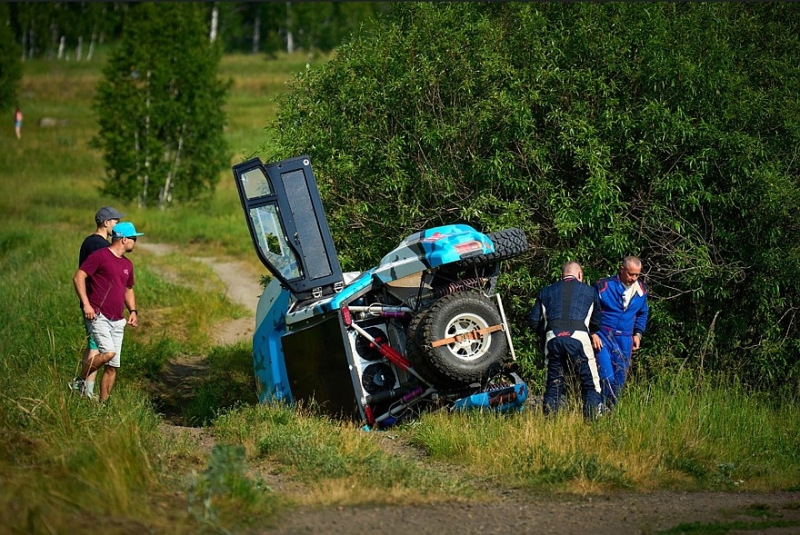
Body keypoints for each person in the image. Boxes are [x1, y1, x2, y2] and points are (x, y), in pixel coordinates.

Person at [71, 221, 143, 402]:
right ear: (123, 239)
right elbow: (79, 277)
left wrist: (132, 310)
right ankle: (79, 380)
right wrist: (86, 304)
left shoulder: (128, 264)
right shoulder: (100, 256)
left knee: (112, 366)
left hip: (118, 320)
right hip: (98, 316)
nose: (135, 242)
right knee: (108, 353)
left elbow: (128, 289)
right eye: (134, 238)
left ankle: (104, 406)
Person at [527, 261, 604, 419]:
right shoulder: (590, 292)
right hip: (579, 337)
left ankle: (550, 423)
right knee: (591, 384)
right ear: (580, 275)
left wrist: (545, 333)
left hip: (552, 337)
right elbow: (596, 322)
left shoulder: (545, 292)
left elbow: (533, 320)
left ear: (562, 275)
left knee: (553, 384)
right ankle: (592, 421)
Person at [70, 206, 126, 399]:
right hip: (96, 306)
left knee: (94, 346)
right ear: (106, 222)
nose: (117, 225)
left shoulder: (89, 241)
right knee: (98, 348)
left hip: (93, 304)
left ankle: (86, 390)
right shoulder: (100, 246)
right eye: (116, 221)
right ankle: (86, 390)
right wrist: (89, 303)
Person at [593, 256, 649, 408]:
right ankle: (599, 410)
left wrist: (638, 333)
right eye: (631, 274)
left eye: (637, 275)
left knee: (619, 380)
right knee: (607, 377)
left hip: (625, 339)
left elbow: (643, 313)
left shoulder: (641, 290)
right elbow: (589, 310)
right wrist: (593, 333)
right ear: (622, 269)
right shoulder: (603, 286)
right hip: (603, 335)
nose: (633, 278)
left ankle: (612, 412)